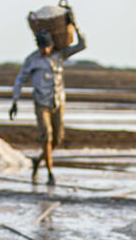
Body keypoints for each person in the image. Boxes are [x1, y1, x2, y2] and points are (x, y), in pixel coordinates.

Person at [9, 25, 86, 186]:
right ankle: (50, 173)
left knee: (57, 139)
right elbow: (20, 80)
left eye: (47, 47)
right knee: (47, 137)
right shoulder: (32, 60)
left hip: (58, 102)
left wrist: (75, 26)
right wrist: (15, 101)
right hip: (41, 103)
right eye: (42, 48)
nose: (45, 50)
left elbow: (82, 45)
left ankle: (38, 160)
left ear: (51, 45)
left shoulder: (59, 55)